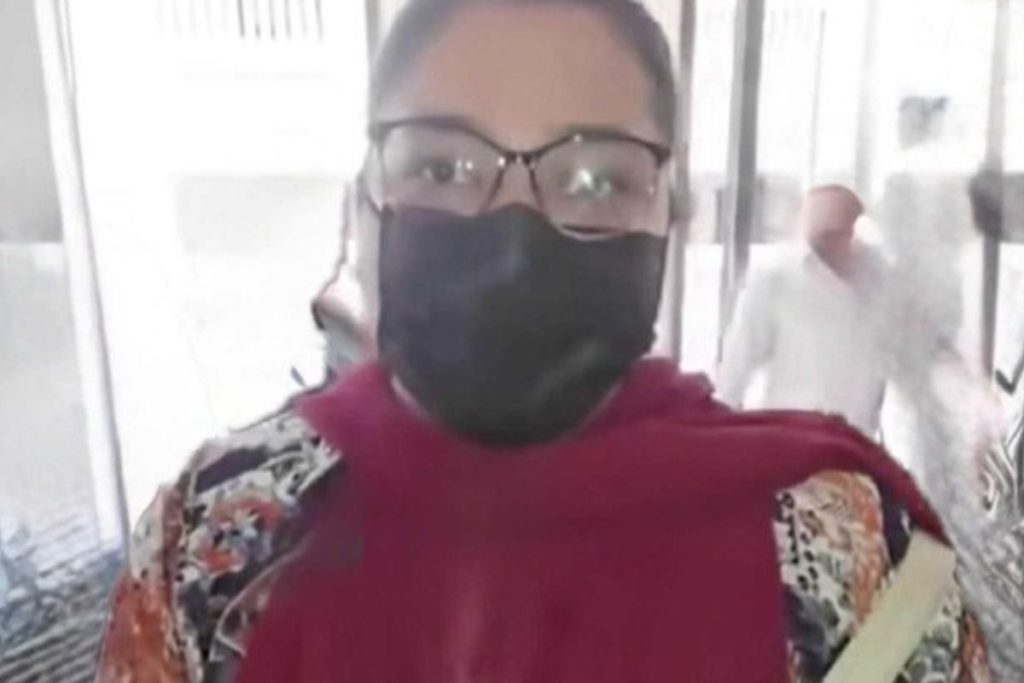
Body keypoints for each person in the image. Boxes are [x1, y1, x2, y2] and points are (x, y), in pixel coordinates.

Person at [97, 1, 991, 681]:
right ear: (365, 199)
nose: (514, 238)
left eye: (593, 179)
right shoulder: (212, 532)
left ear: (668, 213)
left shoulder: (850, 552)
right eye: (442, 166)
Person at [717, 186, 891, 436]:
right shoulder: (774, 279)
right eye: (826, 229)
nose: (834, 236)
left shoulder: (878, 274)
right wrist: (722, 429)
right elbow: (738, 362)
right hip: (793, 439)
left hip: (860, 439)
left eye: (843, 228)